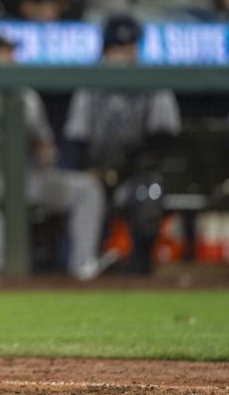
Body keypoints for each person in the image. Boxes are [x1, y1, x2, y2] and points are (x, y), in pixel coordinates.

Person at [0, 37, 110, 279]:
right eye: (1, 53)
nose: (8, 58)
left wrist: (45, 153)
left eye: (11, 53)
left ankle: (83, 266)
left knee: (88, 188)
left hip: (29, 177)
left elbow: (45, 144)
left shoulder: (28, 96)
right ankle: (0, 264)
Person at [64, 14, 182, 274]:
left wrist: (124, 168)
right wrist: (90, 171)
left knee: (148, 193)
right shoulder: (89, 85)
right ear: (106, 51)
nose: (127, 55)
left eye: (131, 48)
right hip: (95, 174)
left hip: (135, 174)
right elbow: (76, 139)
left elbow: (163, 140)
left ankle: (140, 268)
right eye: (119, 49)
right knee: (83, 189)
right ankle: (84, 267)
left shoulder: (152, 83)